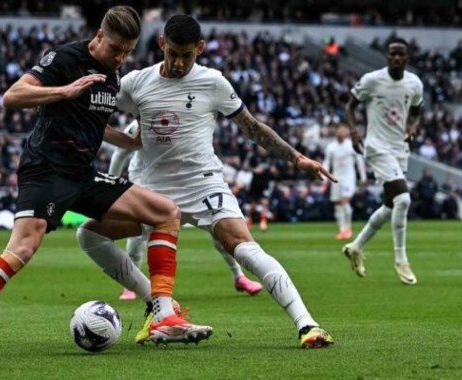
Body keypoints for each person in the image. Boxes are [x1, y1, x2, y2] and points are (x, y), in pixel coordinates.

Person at [0, 6, 211, 362]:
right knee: (22, 250)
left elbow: (92, 123)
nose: (120, 58)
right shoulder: (65, 57)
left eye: (127, 52)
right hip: (44, 171)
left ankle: (164, 317)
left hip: (82, 174)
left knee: (167, 213)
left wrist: (129, 141)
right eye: (115, 49)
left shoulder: (113, 75)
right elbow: (13, 96)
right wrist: (64, 91)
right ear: (99, 36)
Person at [77, 14, 336, 348]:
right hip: (150, 189)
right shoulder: (135, 83)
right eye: (173, 53)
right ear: (161, 45)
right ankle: (159, 309)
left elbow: (252, 127)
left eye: (188, 54)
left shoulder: (213, 82)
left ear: (199, 49)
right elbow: (91, 117)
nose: (180, 62)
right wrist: (125, 141)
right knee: (89, 235)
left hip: (202, 184)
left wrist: (296, 158)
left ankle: (307, 325)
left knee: (245, 248)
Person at [109, 120, 263, 301]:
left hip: (185, 183)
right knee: (138, 234)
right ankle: (129, 286)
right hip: (147, 182)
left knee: (219, 229)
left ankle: (239, 276)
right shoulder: (141, 123)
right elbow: (120, 154)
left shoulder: (187, 118)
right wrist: (112, 186)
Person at [343, 37, 423, 285]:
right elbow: (350, 106)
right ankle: (401, 259)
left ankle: (356, 246)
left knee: (390, 206)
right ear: (387, 57)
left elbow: (418, 112)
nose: (397, 58)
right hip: (377, 146)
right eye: (393, 54)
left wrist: (412, 126)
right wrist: (354, 131)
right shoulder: (372, 80)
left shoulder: (414, 83)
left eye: (401, 55)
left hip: (400, 148)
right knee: (404, 199)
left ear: (407, 59)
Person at [322, 124, 367, 240]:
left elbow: (359, 161)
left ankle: (348, 228)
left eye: (343, 131)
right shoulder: (331, 147)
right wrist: (324, 178)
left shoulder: (351, 145)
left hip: (349, 178)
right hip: (336, 178)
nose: (340, 133)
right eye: (338, 131)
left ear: (346, 132)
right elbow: (327, 163)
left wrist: (363, 177)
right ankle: (342, 229)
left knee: (344, 201)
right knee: (337, 204)